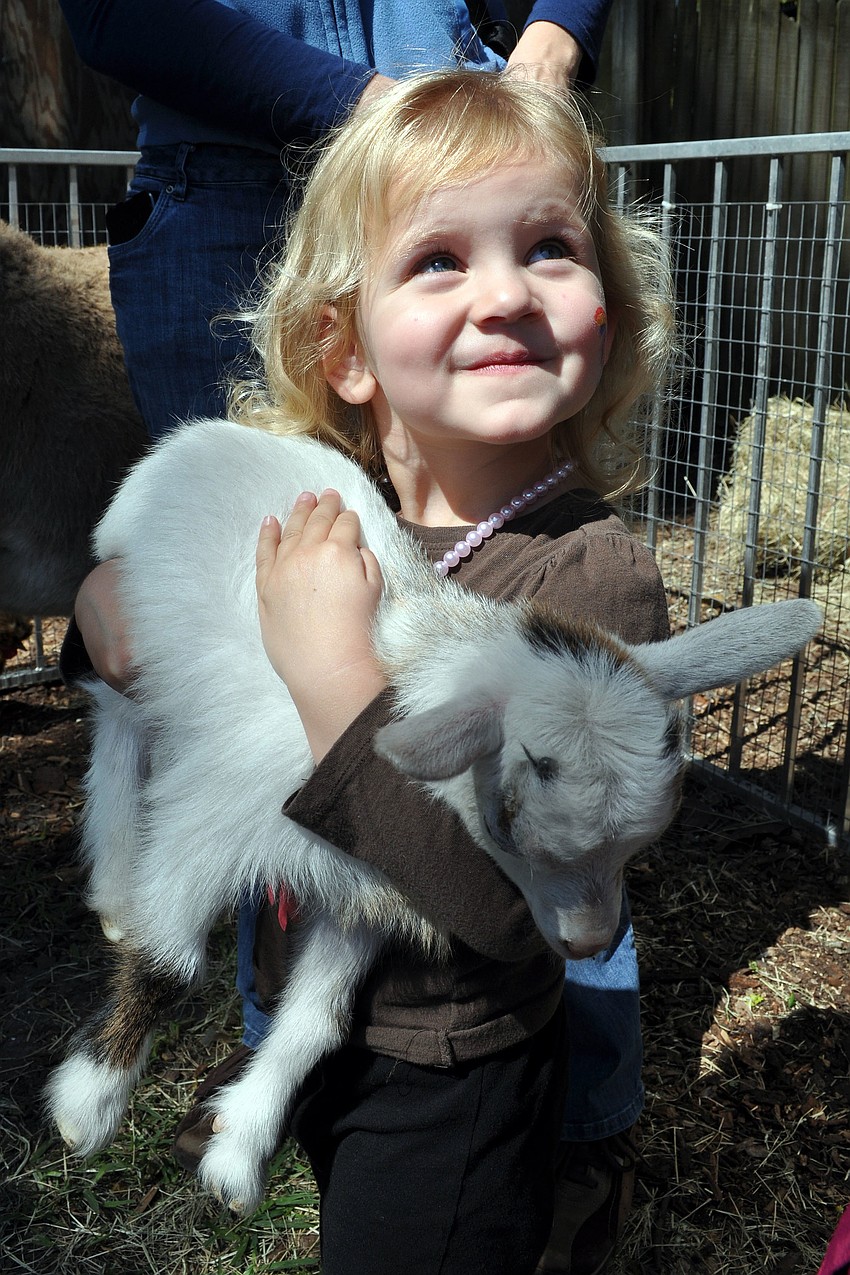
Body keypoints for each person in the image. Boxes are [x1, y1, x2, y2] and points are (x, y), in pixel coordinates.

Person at [55, 4, 654, 1270]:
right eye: (439, 260)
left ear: (607, 312)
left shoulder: (587, 583)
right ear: (345, 350)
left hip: (455, 1073)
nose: (503, 293)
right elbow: (205, 629)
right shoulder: (339, 512)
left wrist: (333, 675)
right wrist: (96, 621)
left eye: (549, 246)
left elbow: (506, 911)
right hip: (314, 1006)